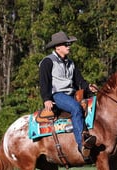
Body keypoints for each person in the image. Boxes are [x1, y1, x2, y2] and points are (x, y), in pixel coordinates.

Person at [39, 31, 97, 160]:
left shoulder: (71, 63)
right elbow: (44, 82)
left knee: (94, 106)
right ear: (57, 47)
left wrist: (89, 87)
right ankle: (82, 144)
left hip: (71, 95)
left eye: (69, 44)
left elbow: (80, 81)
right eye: (66, 44)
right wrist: (46, 99)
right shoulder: (48, 62)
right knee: (76, 108)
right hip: (57, 95)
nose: (69, 46)